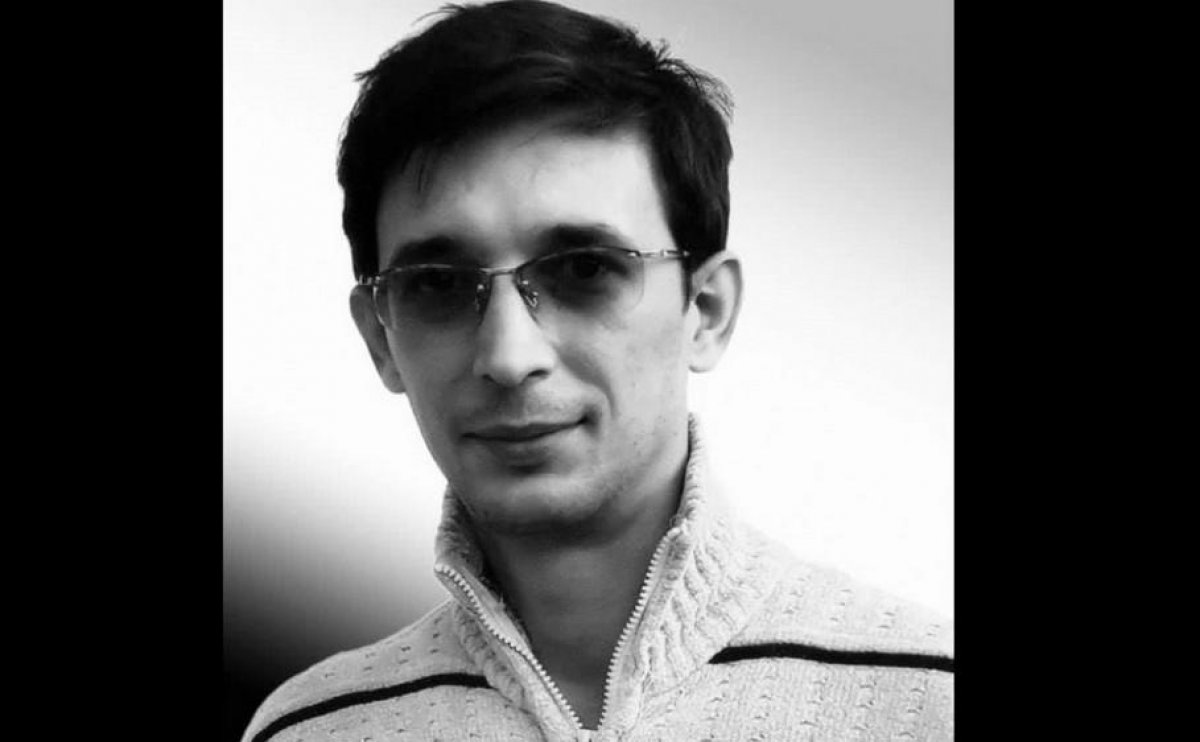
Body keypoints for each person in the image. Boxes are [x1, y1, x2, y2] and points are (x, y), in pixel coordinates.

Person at [241, 1, 953, 740]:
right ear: (380, 339)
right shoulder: (314, 729)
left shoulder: (928, 701)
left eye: (584, 269)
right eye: (439, 284)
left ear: (706, 310)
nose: (510, 356)